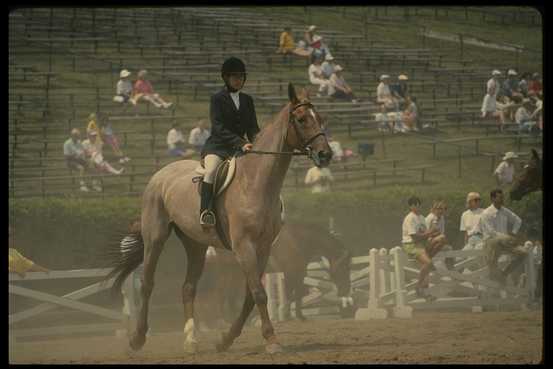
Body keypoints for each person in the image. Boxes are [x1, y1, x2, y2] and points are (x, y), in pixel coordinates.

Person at [199, 57, 260, 227]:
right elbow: (218, 127)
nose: (238, 80)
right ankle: (206, 211)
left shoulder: (248, 100)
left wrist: (259, 143)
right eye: (235, 77)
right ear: (226, 78)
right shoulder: (217, 98)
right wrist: (241, 142)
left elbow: (253, 128)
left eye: (241, 77)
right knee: (211, 171)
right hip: (218, 146)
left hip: (239, 149)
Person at [475, 189, 524, 284]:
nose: (502, 199)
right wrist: (507, 237)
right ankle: (496, 279)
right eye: (499, 197)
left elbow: (518, 220)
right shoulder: (486, 213)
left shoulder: (504, 211)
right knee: (492, 265)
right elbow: (491, 232)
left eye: (502, 197)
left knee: (523, 253)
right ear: (492, 199)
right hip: (491, 241)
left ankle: (505, 273)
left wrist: (513, 233)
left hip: (505, 241)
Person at [401, 196, 445, 301]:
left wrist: (434, 232)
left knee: (442, 239)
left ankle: (428, 259)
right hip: (411, 244)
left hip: (421, 244)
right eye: (414, 204)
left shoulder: (421, 217)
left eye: (418, 204)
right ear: (410, 206)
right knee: (428, 264)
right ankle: (418, 287)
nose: (416, 206)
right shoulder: (410, 218)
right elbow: (415, 237)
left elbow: (426, 234)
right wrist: (430, 232)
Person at [119, 220, 144, 337]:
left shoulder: (143, 240)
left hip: (140, 275)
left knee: (141, 302)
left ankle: (139, 329)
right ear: (131, 228)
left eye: (140, 226)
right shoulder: (126, 241)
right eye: (136, 226)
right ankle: (129, 329)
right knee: (129, 304)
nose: (138, 228)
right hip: (131, 277)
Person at [63, 128, 90, 192]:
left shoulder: (79, 142)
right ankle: (82, 185)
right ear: (72, 136)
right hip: (70, 161)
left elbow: (83, 151)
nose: (78, 137)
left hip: (78, 159)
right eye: (76, 136)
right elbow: (66, 157)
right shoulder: (67, 143)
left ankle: (94, 183)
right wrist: (75, 155)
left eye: (78, 136)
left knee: (90, 164)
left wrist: (84, 153)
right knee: (81, 168)